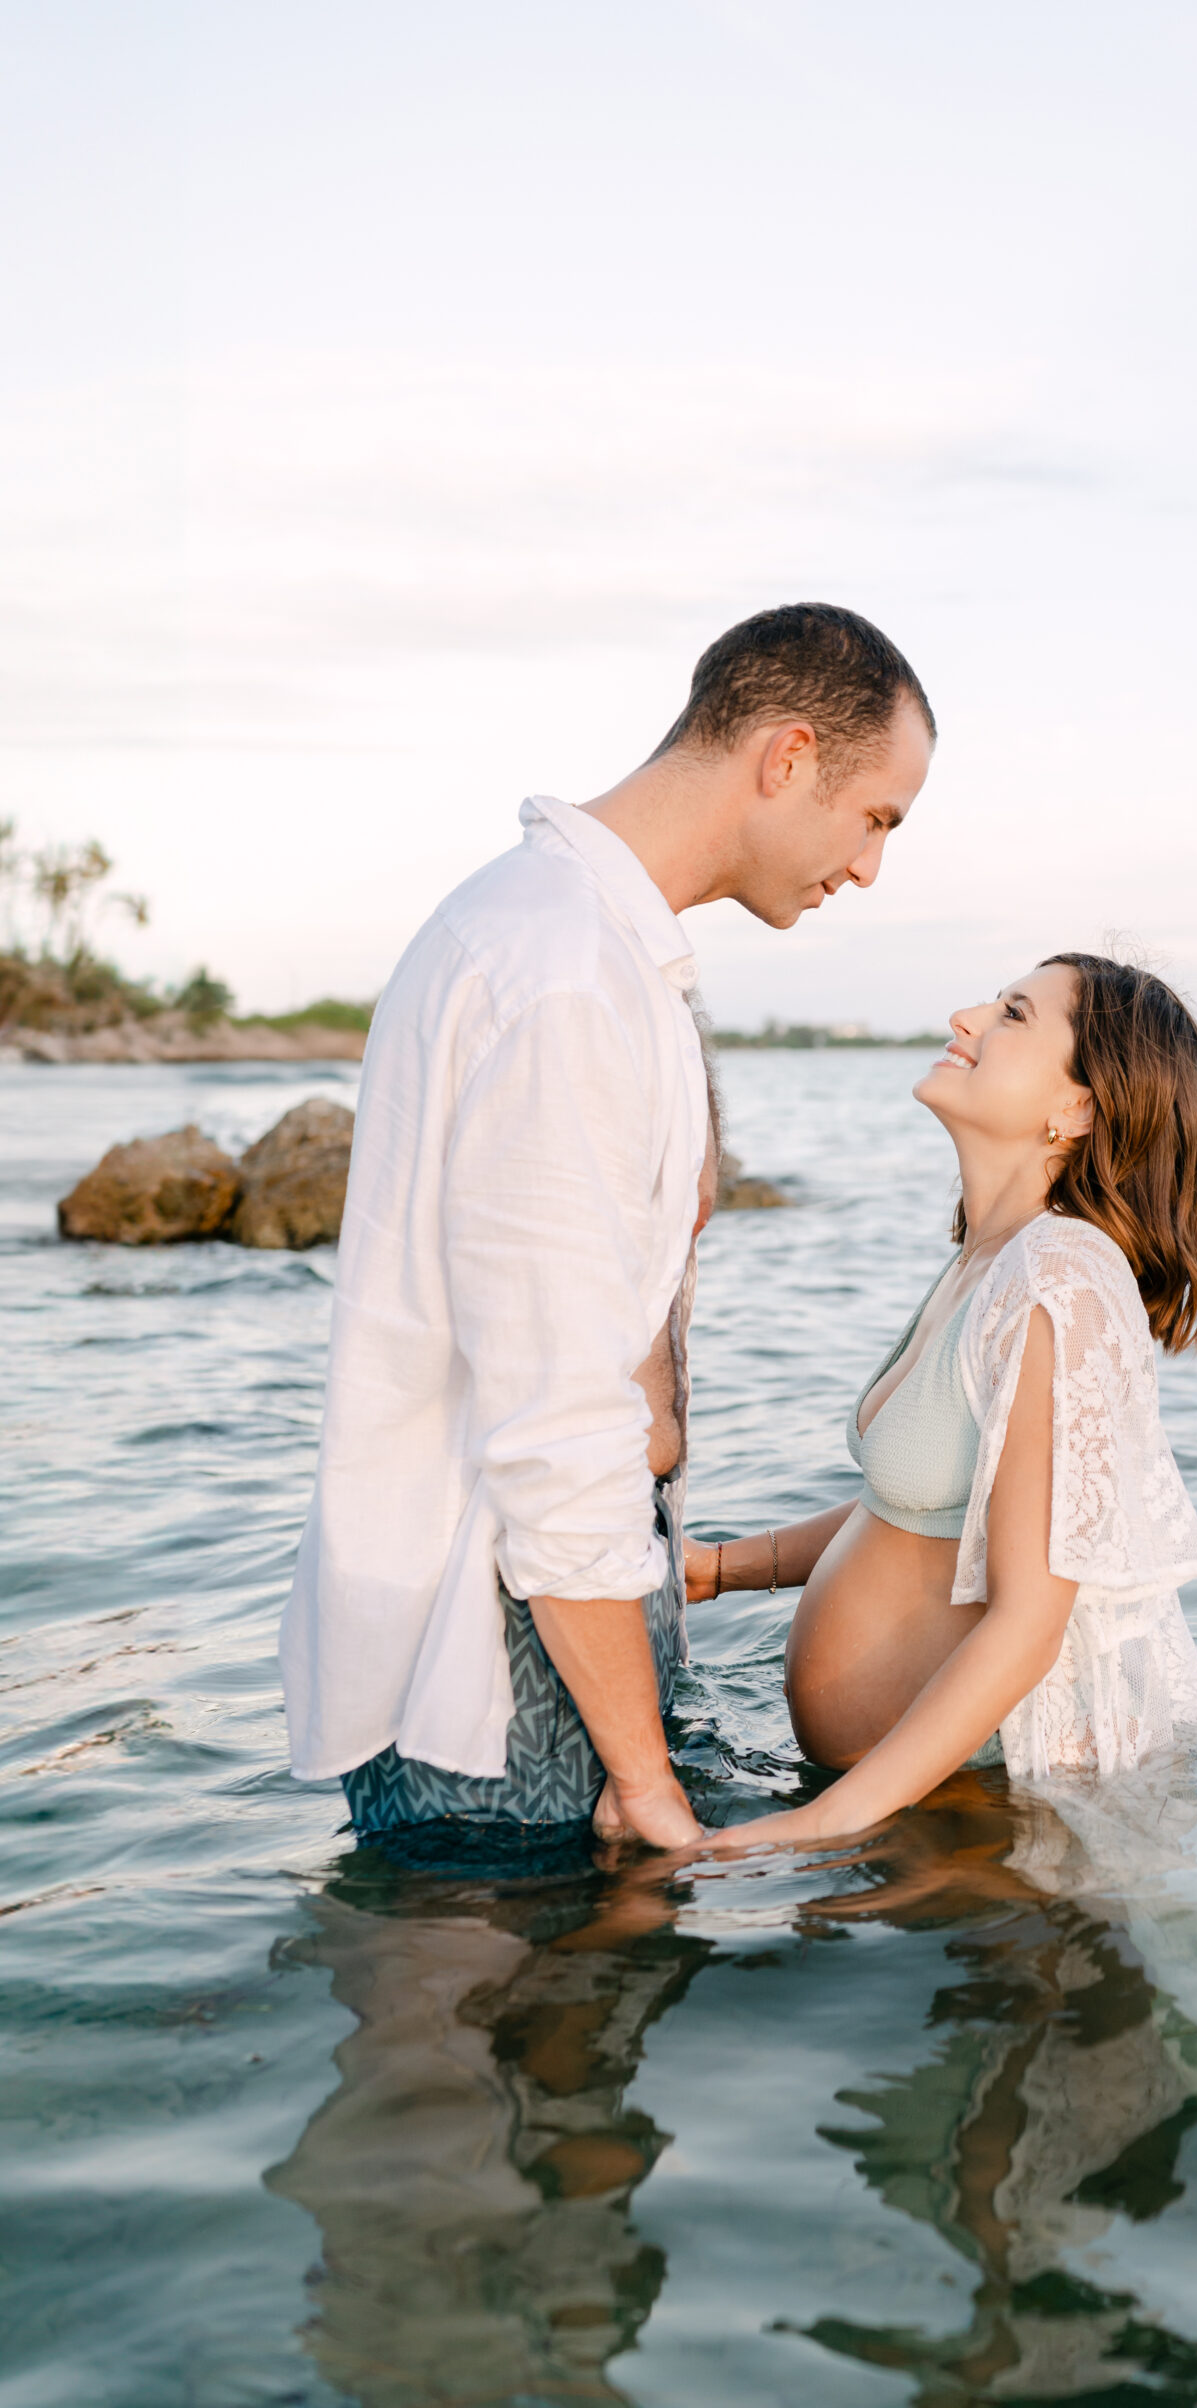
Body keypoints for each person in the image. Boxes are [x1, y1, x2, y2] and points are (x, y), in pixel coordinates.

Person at [280, 602, 934, 1850]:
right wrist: (643, 1778)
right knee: (502, 2026)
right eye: (876, 818)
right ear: (787, 757)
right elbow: (552, 1418)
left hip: (560, 1625)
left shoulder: (593, 953)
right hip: (500, 1675)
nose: (867, 868)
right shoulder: (562, 975)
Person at [688, 953, 1197, 1849]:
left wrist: (821, 1823)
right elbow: (923, 1513)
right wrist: (717, 1571)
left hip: (983, 1819)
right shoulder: (992, 1261)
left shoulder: (1058, 1275)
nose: (963, 1016)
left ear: (1078, 1108)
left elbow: (1032, 1617)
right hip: (913, 1804)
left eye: (1013, 1014)